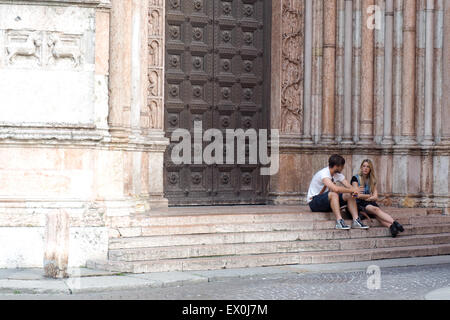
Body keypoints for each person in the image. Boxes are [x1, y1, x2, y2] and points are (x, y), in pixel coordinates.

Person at [307, 154, 369, 230]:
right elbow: (336, 189)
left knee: (348, 195)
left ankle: (356, 221)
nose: (343, 168)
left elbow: (349, 187)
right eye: (342, 166)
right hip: (314, 202)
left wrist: (354, 192)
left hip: (326, 202)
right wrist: (353, 190)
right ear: (337, 166)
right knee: (334, 194)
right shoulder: (324, 174)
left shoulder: (337, 175)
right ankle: (339, 221)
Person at [351, 159, 405, 238]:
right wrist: (369, 196)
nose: (365, 168)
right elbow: (356, 195)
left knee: (377, 214)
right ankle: (395, 223)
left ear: (370, 169)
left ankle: (391, 227)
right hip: (358, 203)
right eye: (364, 166)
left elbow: (375, 197)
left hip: (368, 202)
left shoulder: (372, 180)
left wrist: (367, 197)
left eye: (368, 167)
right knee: (376, 210)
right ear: (361, 167)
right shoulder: (355, 178)